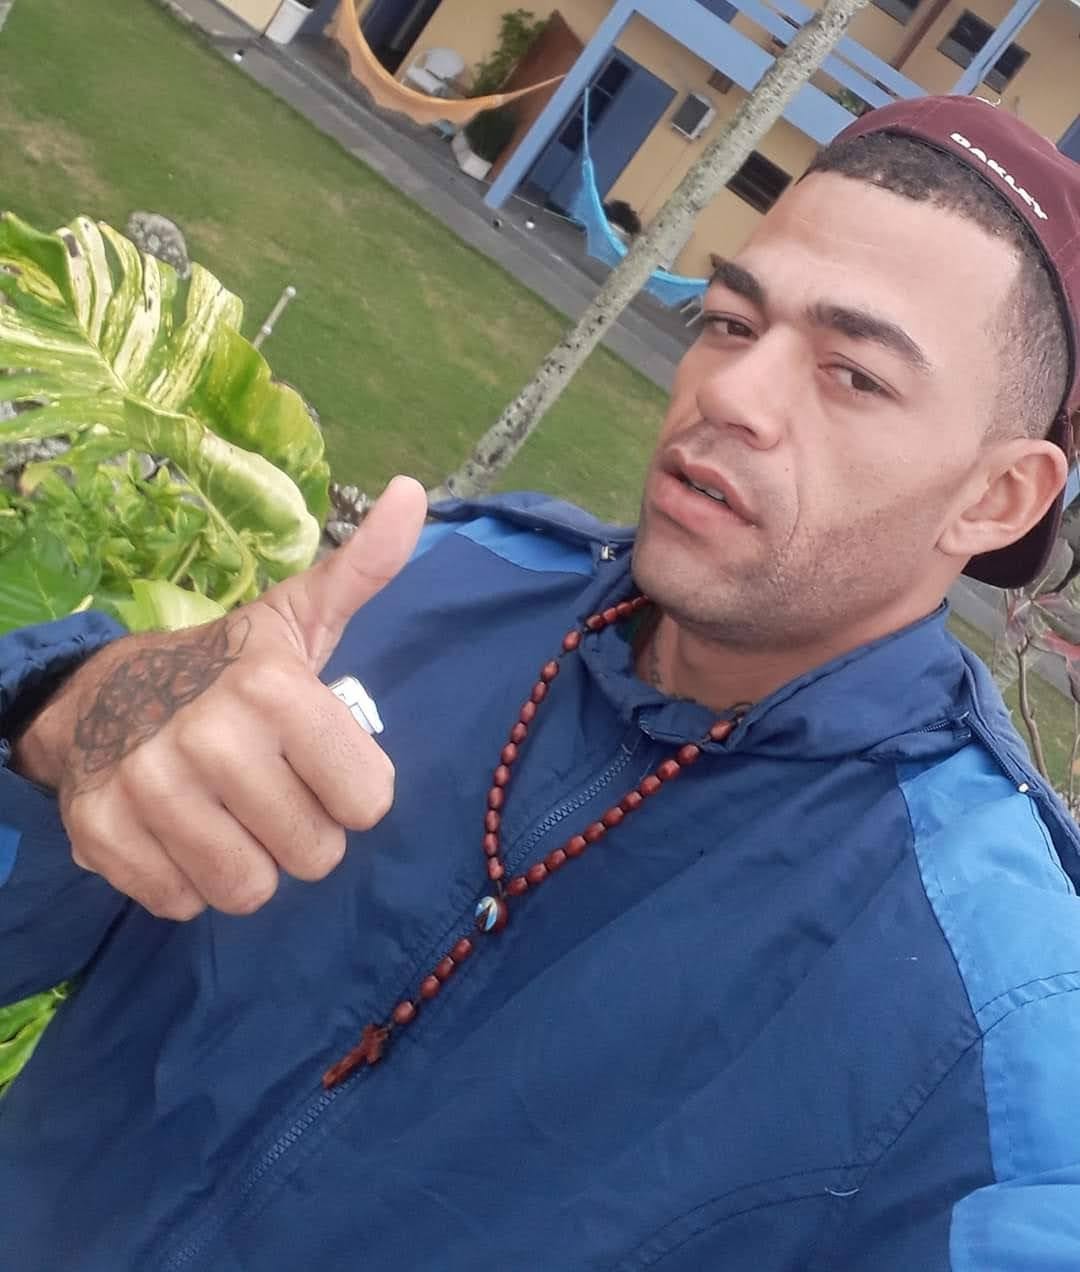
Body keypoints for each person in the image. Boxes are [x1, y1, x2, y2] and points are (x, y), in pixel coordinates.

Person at [2, 94, 1080, 1271]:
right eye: (730, 320)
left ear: (998, 498)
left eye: (852, 375)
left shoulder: (996, 1008)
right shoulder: (434, 584)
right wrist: (64, 718)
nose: (730, 394)